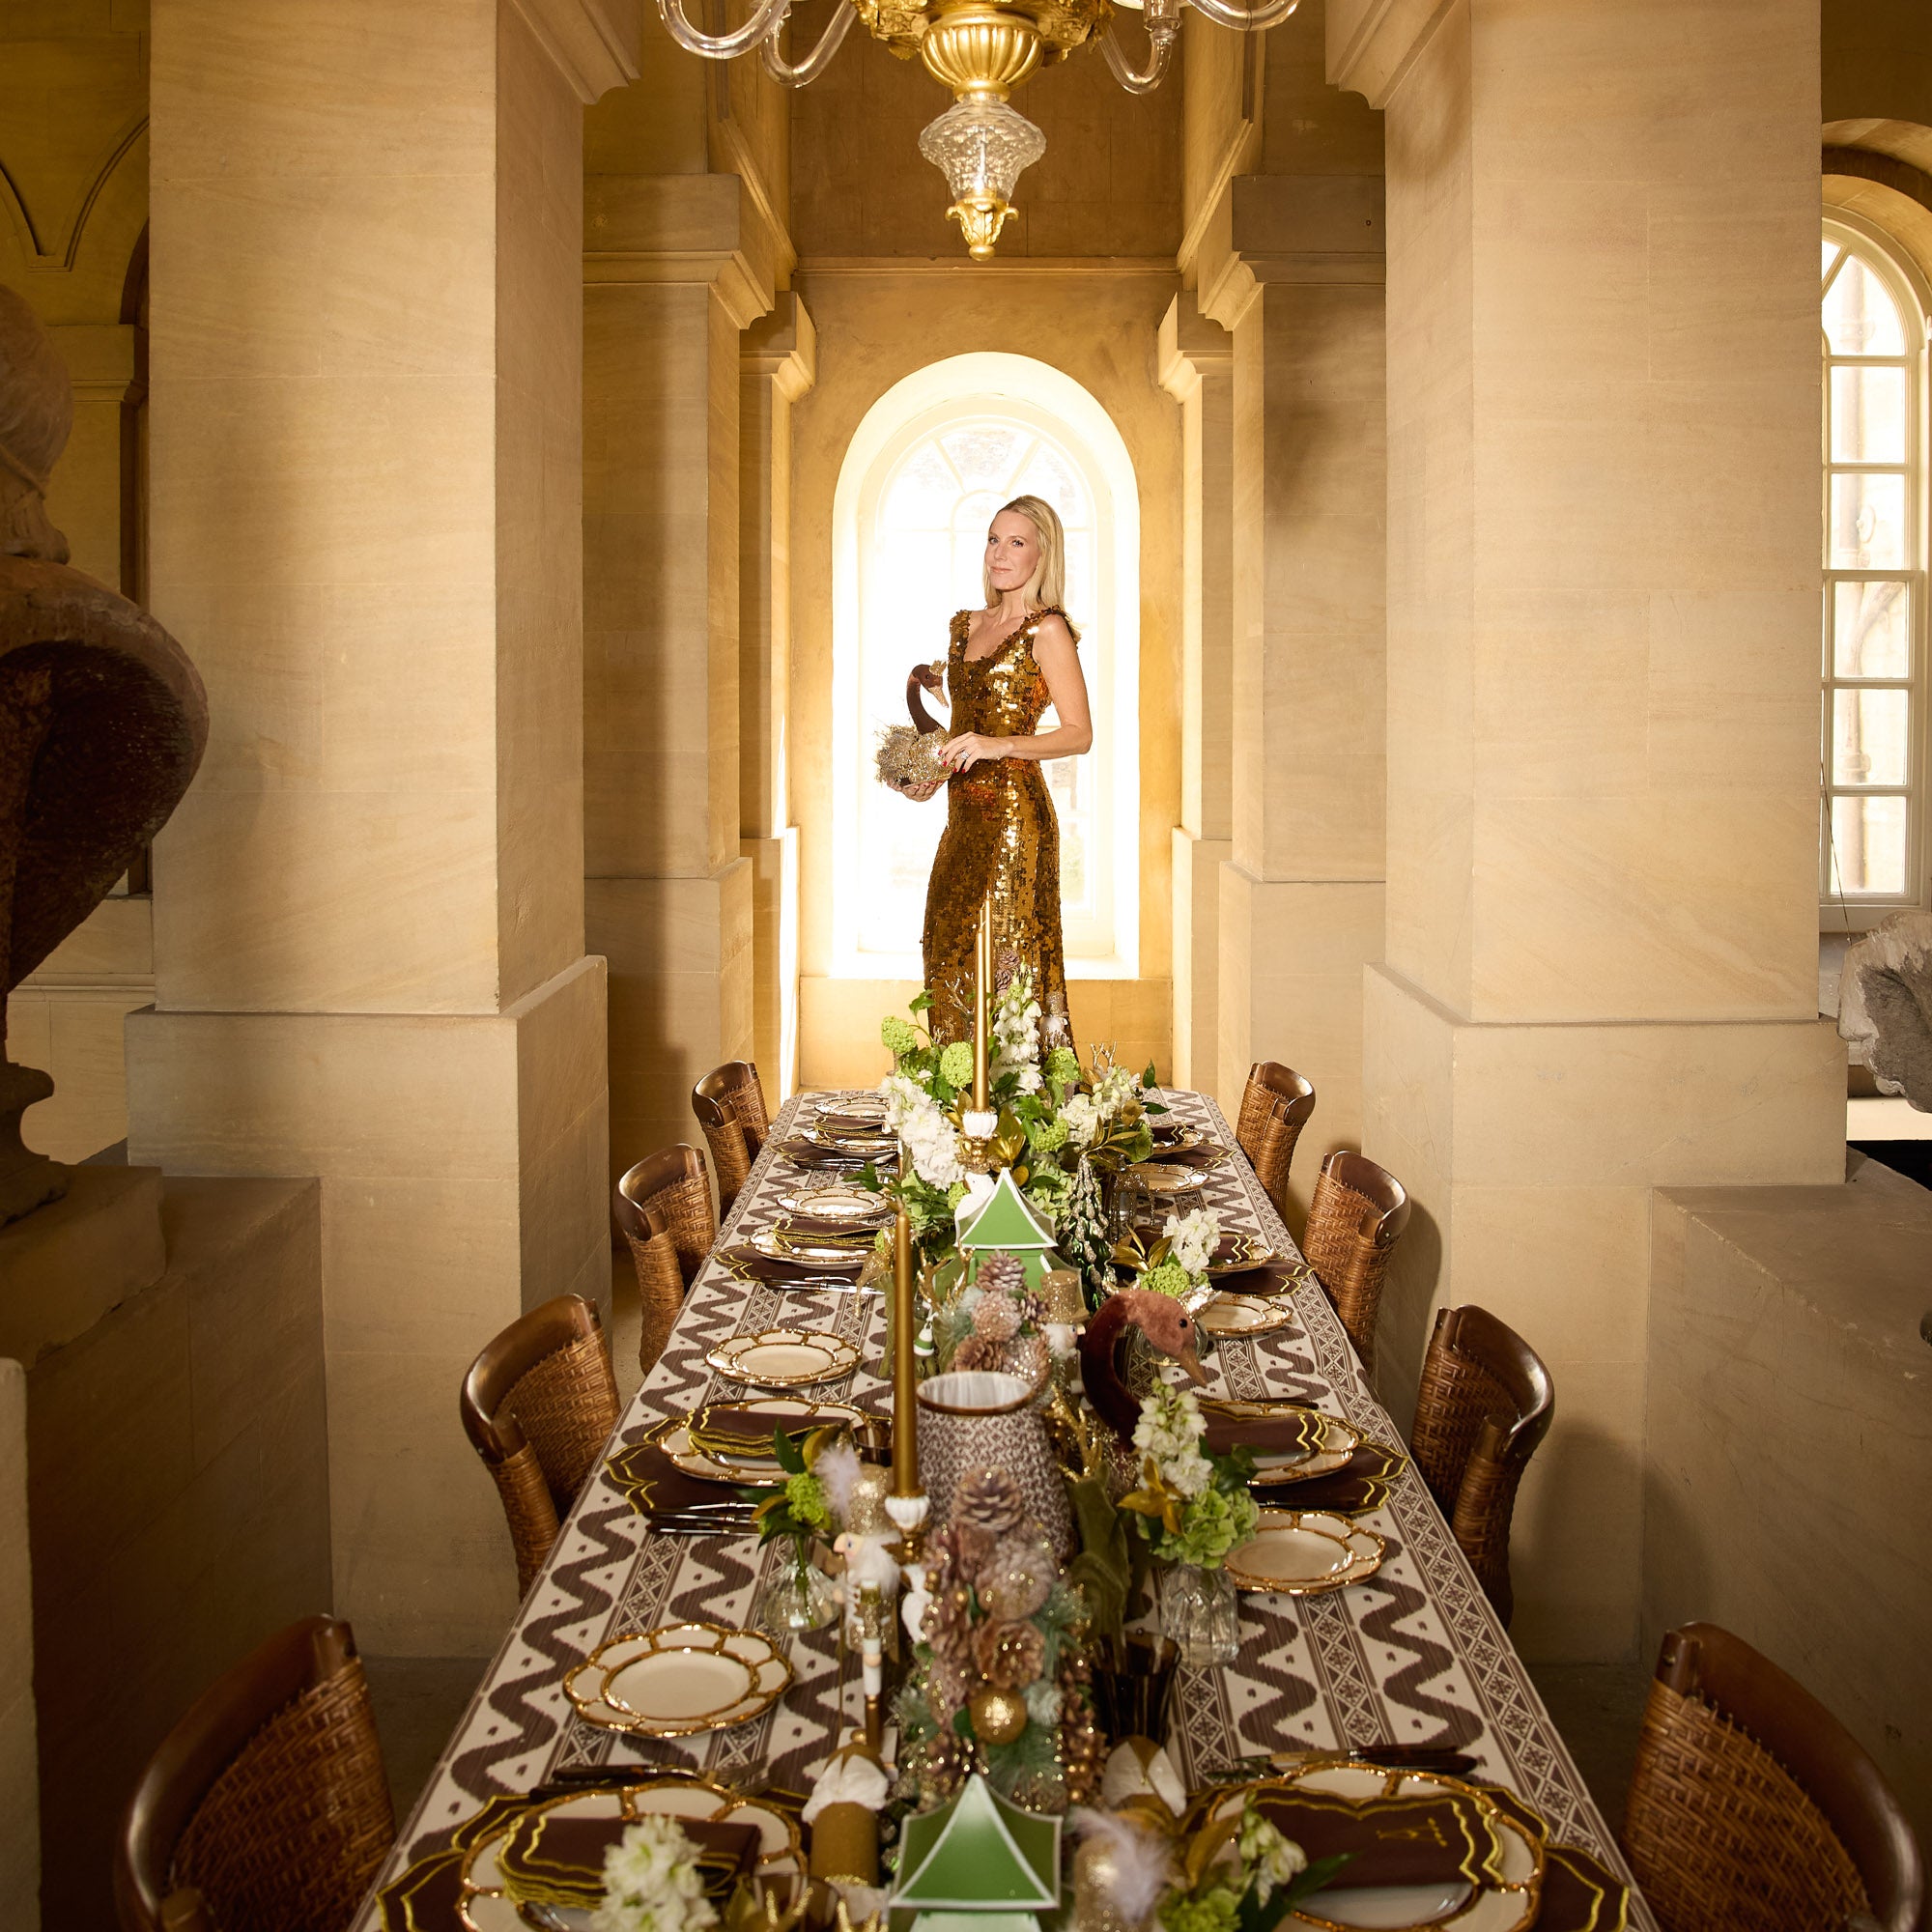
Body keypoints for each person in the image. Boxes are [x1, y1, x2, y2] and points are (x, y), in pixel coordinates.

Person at [891, 494, 1094, 1043]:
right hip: (963, 823)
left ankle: (1013, 1117)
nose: (999, 554)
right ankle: (956, 1114)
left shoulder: (1046, 630)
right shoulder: (963, 625)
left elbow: (1079, 734)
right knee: (946, 949)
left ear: (1041, 556)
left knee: (1004, 975)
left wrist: (997, 744)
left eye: (1017, 542)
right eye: (993, 539)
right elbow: (967, 718)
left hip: (1015, 825)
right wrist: (923, 764)